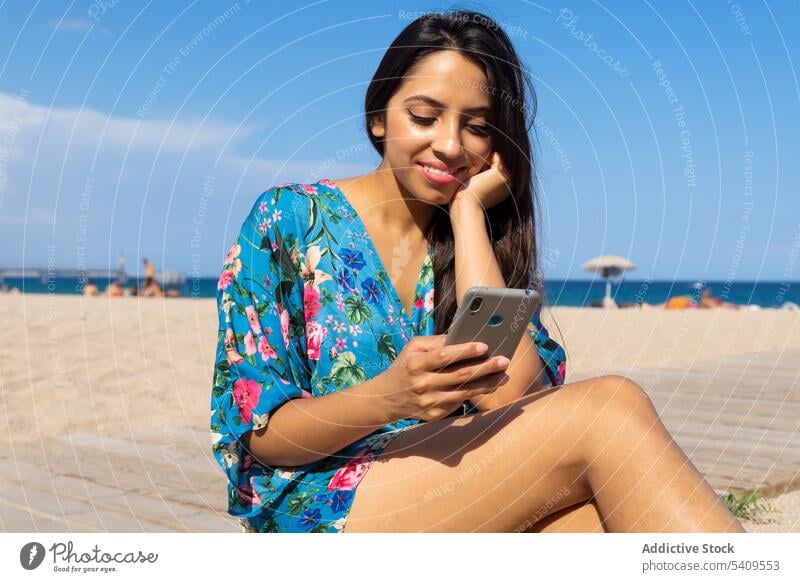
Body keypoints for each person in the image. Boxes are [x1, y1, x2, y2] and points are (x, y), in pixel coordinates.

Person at [210, 10, 744, 534]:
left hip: (453, 478)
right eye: (423, 117)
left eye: (478, 127)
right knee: (611, 408)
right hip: (319, 495)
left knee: (598, 522)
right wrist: (390, 397)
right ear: (378, 117)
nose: (450, 145)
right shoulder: (290, 219)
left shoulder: (474, 242)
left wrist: (468, 215)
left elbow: (512, 400)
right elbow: (264, 436)